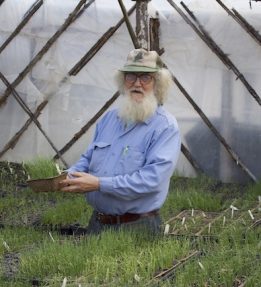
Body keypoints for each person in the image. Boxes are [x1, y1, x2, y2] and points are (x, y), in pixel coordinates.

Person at [59, 48, 181, 234]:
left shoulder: (164, 127)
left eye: (145, 77)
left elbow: (152, 179)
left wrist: (99, 184)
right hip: (98, 223)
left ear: (157, 84)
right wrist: (70, 176)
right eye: (130, 76)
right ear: (123, 81)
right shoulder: (109, 119)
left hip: (137, 227)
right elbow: (89, 157)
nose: (137, 83)